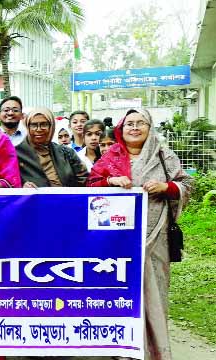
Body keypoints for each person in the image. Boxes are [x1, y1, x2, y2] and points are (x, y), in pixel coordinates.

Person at [87, 109, 193, 360]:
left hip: (156, 236)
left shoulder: (163, 155)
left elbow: (187, 184)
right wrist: (111, 182)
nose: (134, 128)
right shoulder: (111, 156)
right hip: (118, 241)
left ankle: (155, 351)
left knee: (155, 293)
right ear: (121, 130)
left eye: (140, 123)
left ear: (149, 127)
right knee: (122, 291)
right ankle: (123, 350)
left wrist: (166, 187)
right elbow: (91, 185)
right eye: (129, 124)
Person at [15, 107, 88, 188]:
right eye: (34, 125)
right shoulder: (17, 154)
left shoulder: (66, 153)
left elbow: (83, 178)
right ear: (27, 127)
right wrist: (22, 186)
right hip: (33, 200)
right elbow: (9, 180)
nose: (39, 129)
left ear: (51, 126)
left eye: (44, 124)